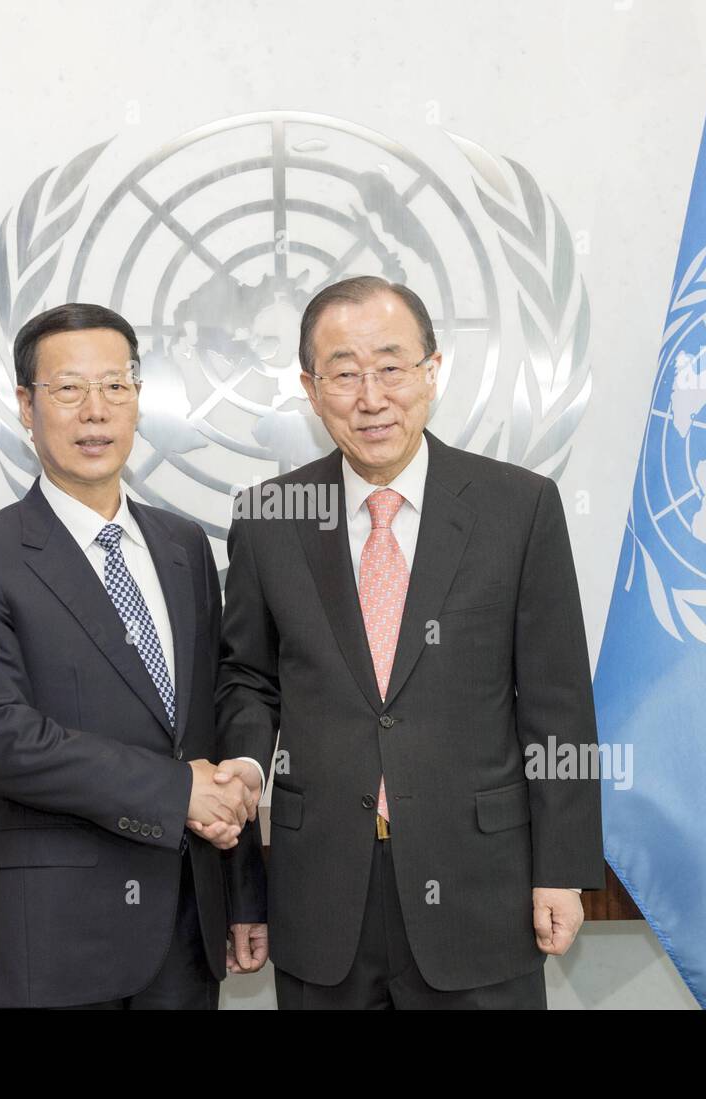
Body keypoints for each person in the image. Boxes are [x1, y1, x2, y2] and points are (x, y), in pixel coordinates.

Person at [209, 276, 603, 1009]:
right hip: (322, 889)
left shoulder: (518, 507)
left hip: (482, 886)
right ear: (310, 388)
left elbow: (558, 700)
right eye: (344, 373)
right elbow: (248, 680)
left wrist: (563, 868)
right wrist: (244, 773)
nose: (372, 397)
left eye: (391, 366)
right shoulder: (270, 518)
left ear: (432, 371)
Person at [0, 303, 267, 1009]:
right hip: (52, 940)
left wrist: (241, 894)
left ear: (138, 397)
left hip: (185, 934)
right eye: (69, 389)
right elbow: (1, 742)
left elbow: (206, 723)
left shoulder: (183, 547)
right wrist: (175, 792)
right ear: (26, 406)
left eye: (115, 385)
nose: (96, 411)